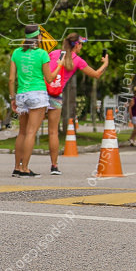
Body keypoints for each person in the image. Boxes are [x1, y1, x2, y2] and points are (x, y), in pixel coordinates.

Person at [43, 34, 108, 174]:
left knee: (29, 130)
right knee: (53, 132)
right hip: (55, 95)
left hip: (41, 92)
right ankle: (54, 166)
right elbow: (96, 74)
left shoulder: (55, 53)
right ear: (76, 45)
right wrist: (105, 63)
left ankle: (22, 165)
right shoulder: (77, 60)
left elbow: (44, 67)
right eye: (81, 44)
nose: (82, 47)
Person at [9, 25, 60, 177]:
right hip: (37, 94)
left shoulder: (16, 53)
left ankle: (17, 167)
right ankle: (25, 169)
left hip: (21, 94)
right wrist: (60, 65)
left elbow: (11, 78)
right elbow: (50, 78)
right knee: (31, 132)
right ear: (38, 38)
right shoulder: (42, 54)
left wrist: (13, 98)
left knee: (22, 133)